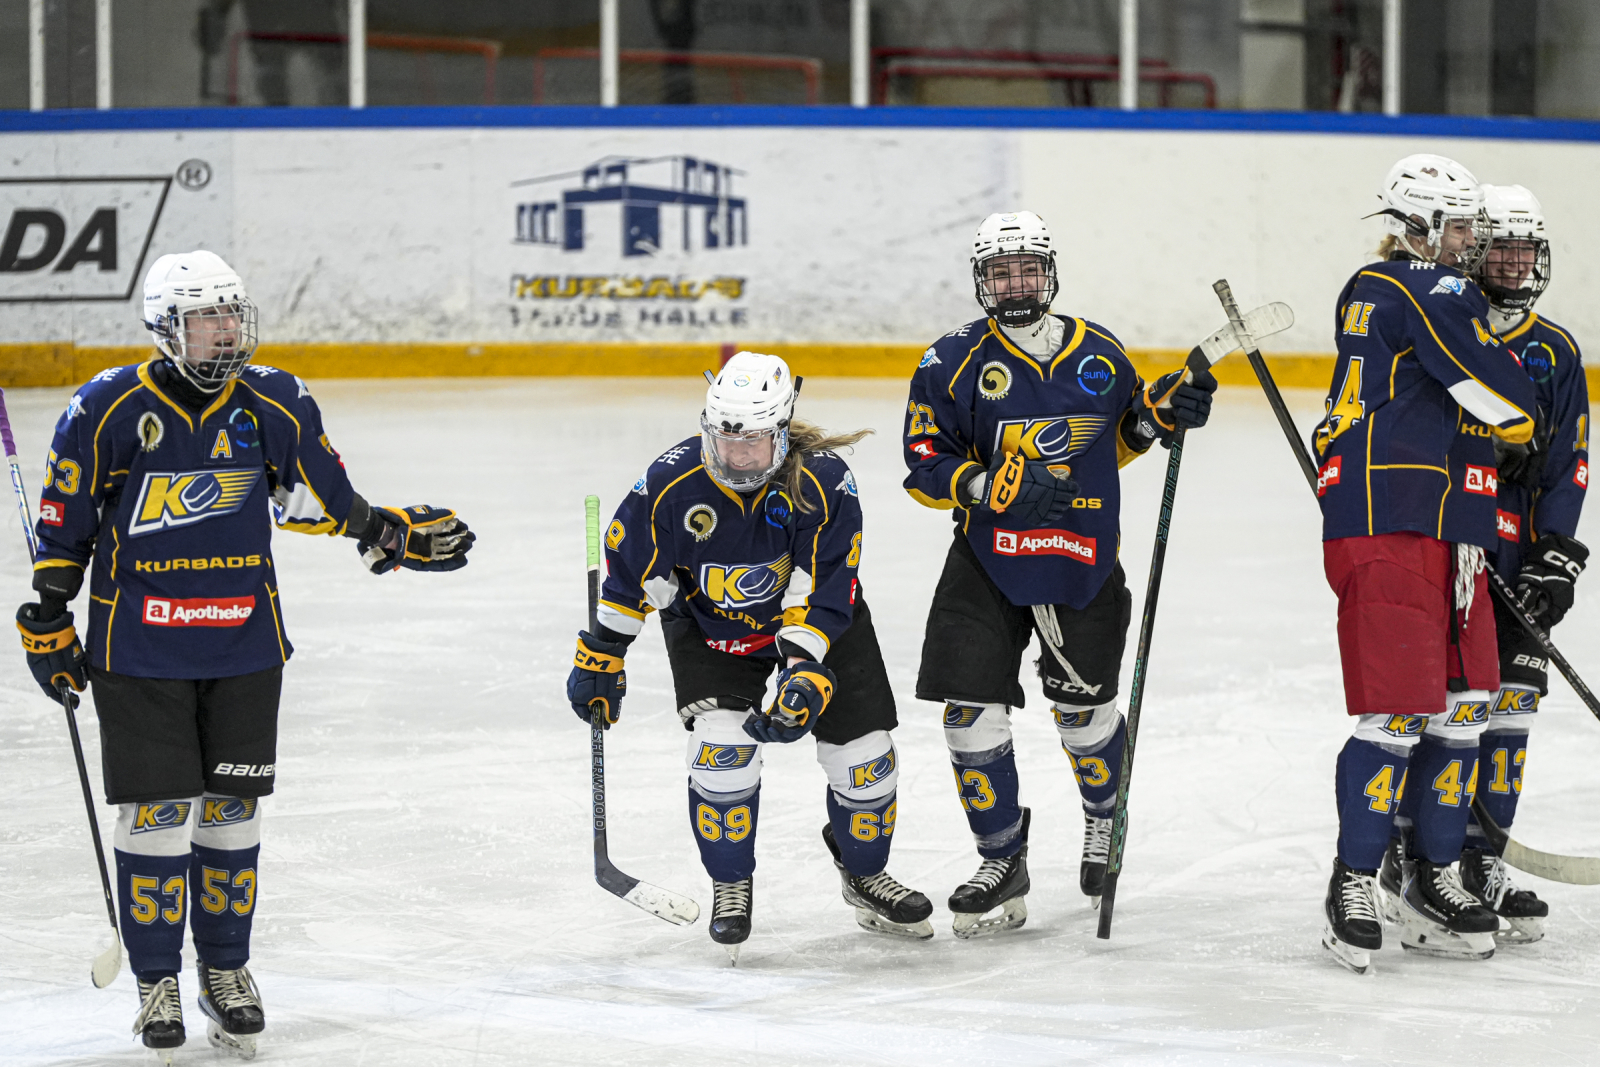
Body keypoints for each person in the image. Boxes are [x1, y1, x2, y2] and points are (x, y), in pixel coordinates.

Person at [15, 251, 474, 1059]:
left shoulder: (276, 399)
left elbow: (316, 498)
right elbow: (67, 525)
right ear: (166, 329)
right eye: (205, 318)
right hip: (139, 646)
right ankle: (157, 980)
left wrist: (386, 532)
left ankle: (225, 969)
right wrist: (49, 617)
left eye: (230, 313)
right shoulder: (105, 407)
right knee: (158, 814)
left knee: (231, 811)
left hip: (244, 641)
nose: (224, 330)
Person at [900, 210, 1217, 938]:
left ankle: (1105, 815)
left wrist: (1164, 414)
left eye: (1027, 269)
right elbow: (923, 460)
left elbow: (1125, 436)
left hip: (1079, 553)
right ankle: (1001, 860)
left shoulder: (1099, 351)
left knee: (1084, 716)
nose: (1015, 284)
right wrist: (982, 485)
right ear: (982, 280)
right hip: (987, 559)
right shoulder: (949, 361)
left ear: (1048, 273)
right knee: (967, 714)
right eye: (1000, 272)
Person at [566, 352, 933, 962]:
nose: (737, 457)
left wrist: (803, 672)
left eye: (754, 443)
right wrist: (601, 654)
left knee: (865, 761)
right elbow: (633, 574)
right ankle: (730, 884)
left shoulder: (823, 483)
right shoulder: (670, 482)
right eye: (726, 440)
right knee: (723, 754)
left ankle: (865, 873)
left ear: (782, 433)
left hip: (822, 628)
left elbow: (819, 587)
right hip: (710, 629)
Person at [1313, 155, 1535, 974]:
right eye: (1463, 227)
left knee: (1464, 707)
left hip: (1450, 523)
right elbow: (1507, 400)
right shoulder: (1417, 286)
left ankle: (1432, 877)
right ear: (1418, 226)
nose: (1473, 242)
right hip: (1392, 517)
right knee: (1400, 712)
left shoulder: (1413, 290)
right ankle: (1352, 880)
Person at [1451, 183, 1585, 944]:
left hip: (1520, 555)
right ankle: (1424, 854)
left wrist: (1556, 553)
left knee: (1513, 708)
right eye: (1500, 246)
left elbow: (1569, 463)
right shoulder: (1443, 328)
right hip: (1457, 547)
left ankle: (1484, 858)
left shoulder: (1554, 350)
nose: (1513, 262)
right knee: (1445, 708)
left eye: (1525, 249)